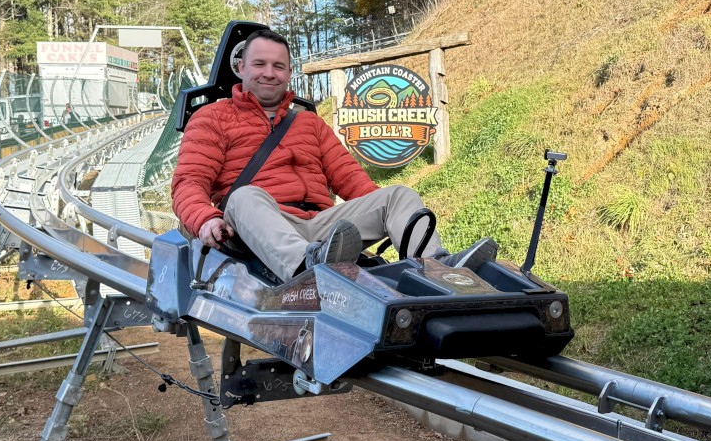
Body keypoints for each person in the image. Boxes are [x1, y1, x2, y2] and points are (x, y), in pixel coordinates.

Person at [171, 29, 493, 279]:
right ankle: (305, 269)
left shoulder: (308, 123)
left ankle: (435, 269)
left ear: (288, 72)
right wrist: (205, 219)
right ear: (241, 67)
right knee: (244, 197)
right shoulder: (212, 118)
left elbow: (350, 177)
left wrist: (381, 212)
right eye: (259, 64)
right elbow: (189, 182)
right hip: (259, 225)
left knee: (398, 195)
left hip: (324, 230)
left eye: (278, 66)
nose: (269, 73)